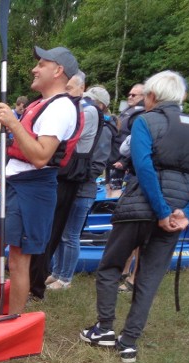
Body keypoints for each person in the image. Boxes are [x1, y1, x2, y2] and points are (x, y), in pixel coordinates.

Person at [80, 70, 189, 363]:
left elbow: (142, 166)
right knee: (150, 276)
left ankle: (104, 328)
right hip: (174, 215)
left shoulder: (144, 120)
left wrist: (162, 210)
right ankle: (129, 341)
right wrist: (187, 213)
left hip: (139, 210)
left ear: (152, 97)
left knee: (110, 266)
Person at [0, 46, 81, 314]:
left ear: (58, 70)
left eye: (42, 64)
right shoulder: (40, 105)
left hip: (33, 187)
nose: (34, 69)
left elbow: (40, 156)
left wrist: (13, 124)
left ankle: (12, 320)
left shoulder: (61, 108)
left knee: (18, 259)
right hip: (16, 184)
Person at [28, 71, 93, 298]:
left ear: (81, 88)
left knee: (59, 233)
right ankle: (46, 275)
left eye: (69, 89)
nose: (65, 94)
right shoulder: (72, 108)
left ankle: (49, 279)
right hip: (62, 175)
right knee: (51, 233)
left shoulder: (81, 110)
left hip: (68, 178)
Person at [49, 86, 115, 288]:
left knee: (71, 235)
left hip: (83, 190)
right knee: (60, 232)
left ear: (101, 106)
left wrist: (75, 175)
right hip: (70, 186)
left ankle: (65, 278)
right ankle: (56, 271)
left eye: (90, 101)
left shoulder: (103, 130)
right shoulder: (83, 126)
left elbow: (97, 165)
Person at [107, 83, 145, 194]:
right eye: (129, 94)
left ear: (143, 96)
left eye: (134, 95)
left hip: (122, 162)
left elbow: (136, 141)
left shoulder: (140, 115)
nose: (130, 97)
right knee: (109, 189)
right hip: (113, 157)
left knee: (115, 192)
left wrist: (124, 161)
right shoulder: (128, 111)